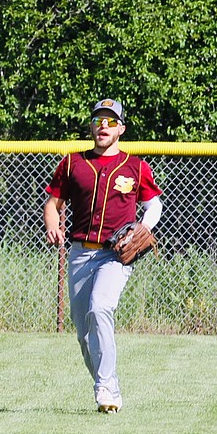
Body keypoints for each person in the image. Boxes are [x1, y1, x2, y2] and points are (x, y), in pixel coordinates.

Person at [43, 99, 163, 414]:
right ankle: (102, 382)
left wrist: (141, 227)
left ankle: (108, 390)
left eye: (111, 122)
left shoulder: (136, 166)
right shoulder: (72, 163)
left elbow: (154, 206)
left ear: (121, 128)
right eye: (99, 120)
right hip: (81, 254)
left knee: (100, 308)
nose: (103, 126)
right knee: (83, 334)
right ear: (92, 126)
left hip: (115, 255)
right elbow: (53, 202)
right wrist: (53, 224)